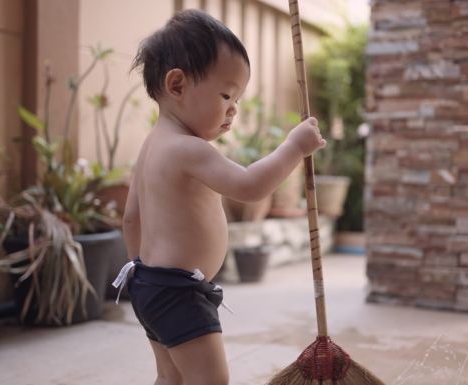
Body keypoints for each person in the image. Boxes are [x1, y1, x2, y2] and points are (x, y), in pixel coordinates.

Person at [111, 9, 326, 385]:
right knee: (209, 380)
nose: (234, 109)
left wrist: (143, 277)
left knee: (171, 377)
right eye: (226, 94)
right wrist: (295, 147)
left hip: (150, 283)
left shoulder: (152, 147)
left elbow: (132, 219)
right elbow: (249, 186)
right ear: (177, 85)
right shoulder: (188, 149)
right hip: (177, 291)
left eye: (238, 98)